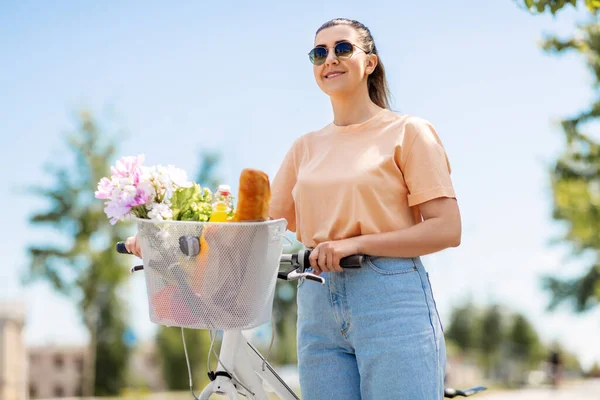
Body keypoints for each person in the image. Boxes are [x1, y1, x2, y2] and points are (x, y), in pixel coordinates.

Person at [268, 18, 462, 399]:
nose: (330, 59)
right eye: (319, 53)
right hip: (316, 301)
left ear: (369, 62)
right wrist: (158, 228)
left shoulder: (408, 131)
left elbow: (446, 228)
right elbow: (259, 226)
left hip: (388, 297)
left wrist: (355, 244)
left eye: (342, 49)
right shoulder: (304, 147)